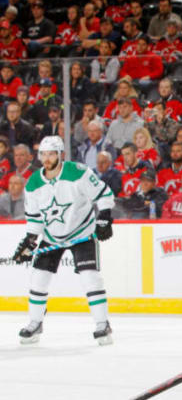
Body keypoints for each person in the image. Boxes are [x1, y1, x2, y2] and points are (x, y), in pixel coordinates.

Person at [13, 136, 115, 345]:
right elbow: (34, 219)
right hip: (52, 236)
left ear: (61, 155)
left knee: (90, 277)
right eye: (44, 154)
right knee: (39, 278)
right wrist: (30, 242)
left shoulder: (77, 172)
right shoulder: (33, 183)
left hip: (82, 233)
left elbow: (104, 194)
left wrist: (104, 217)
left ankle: (102, 324)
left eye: (51, 154)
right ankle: (35, 323)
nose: (47, 158)